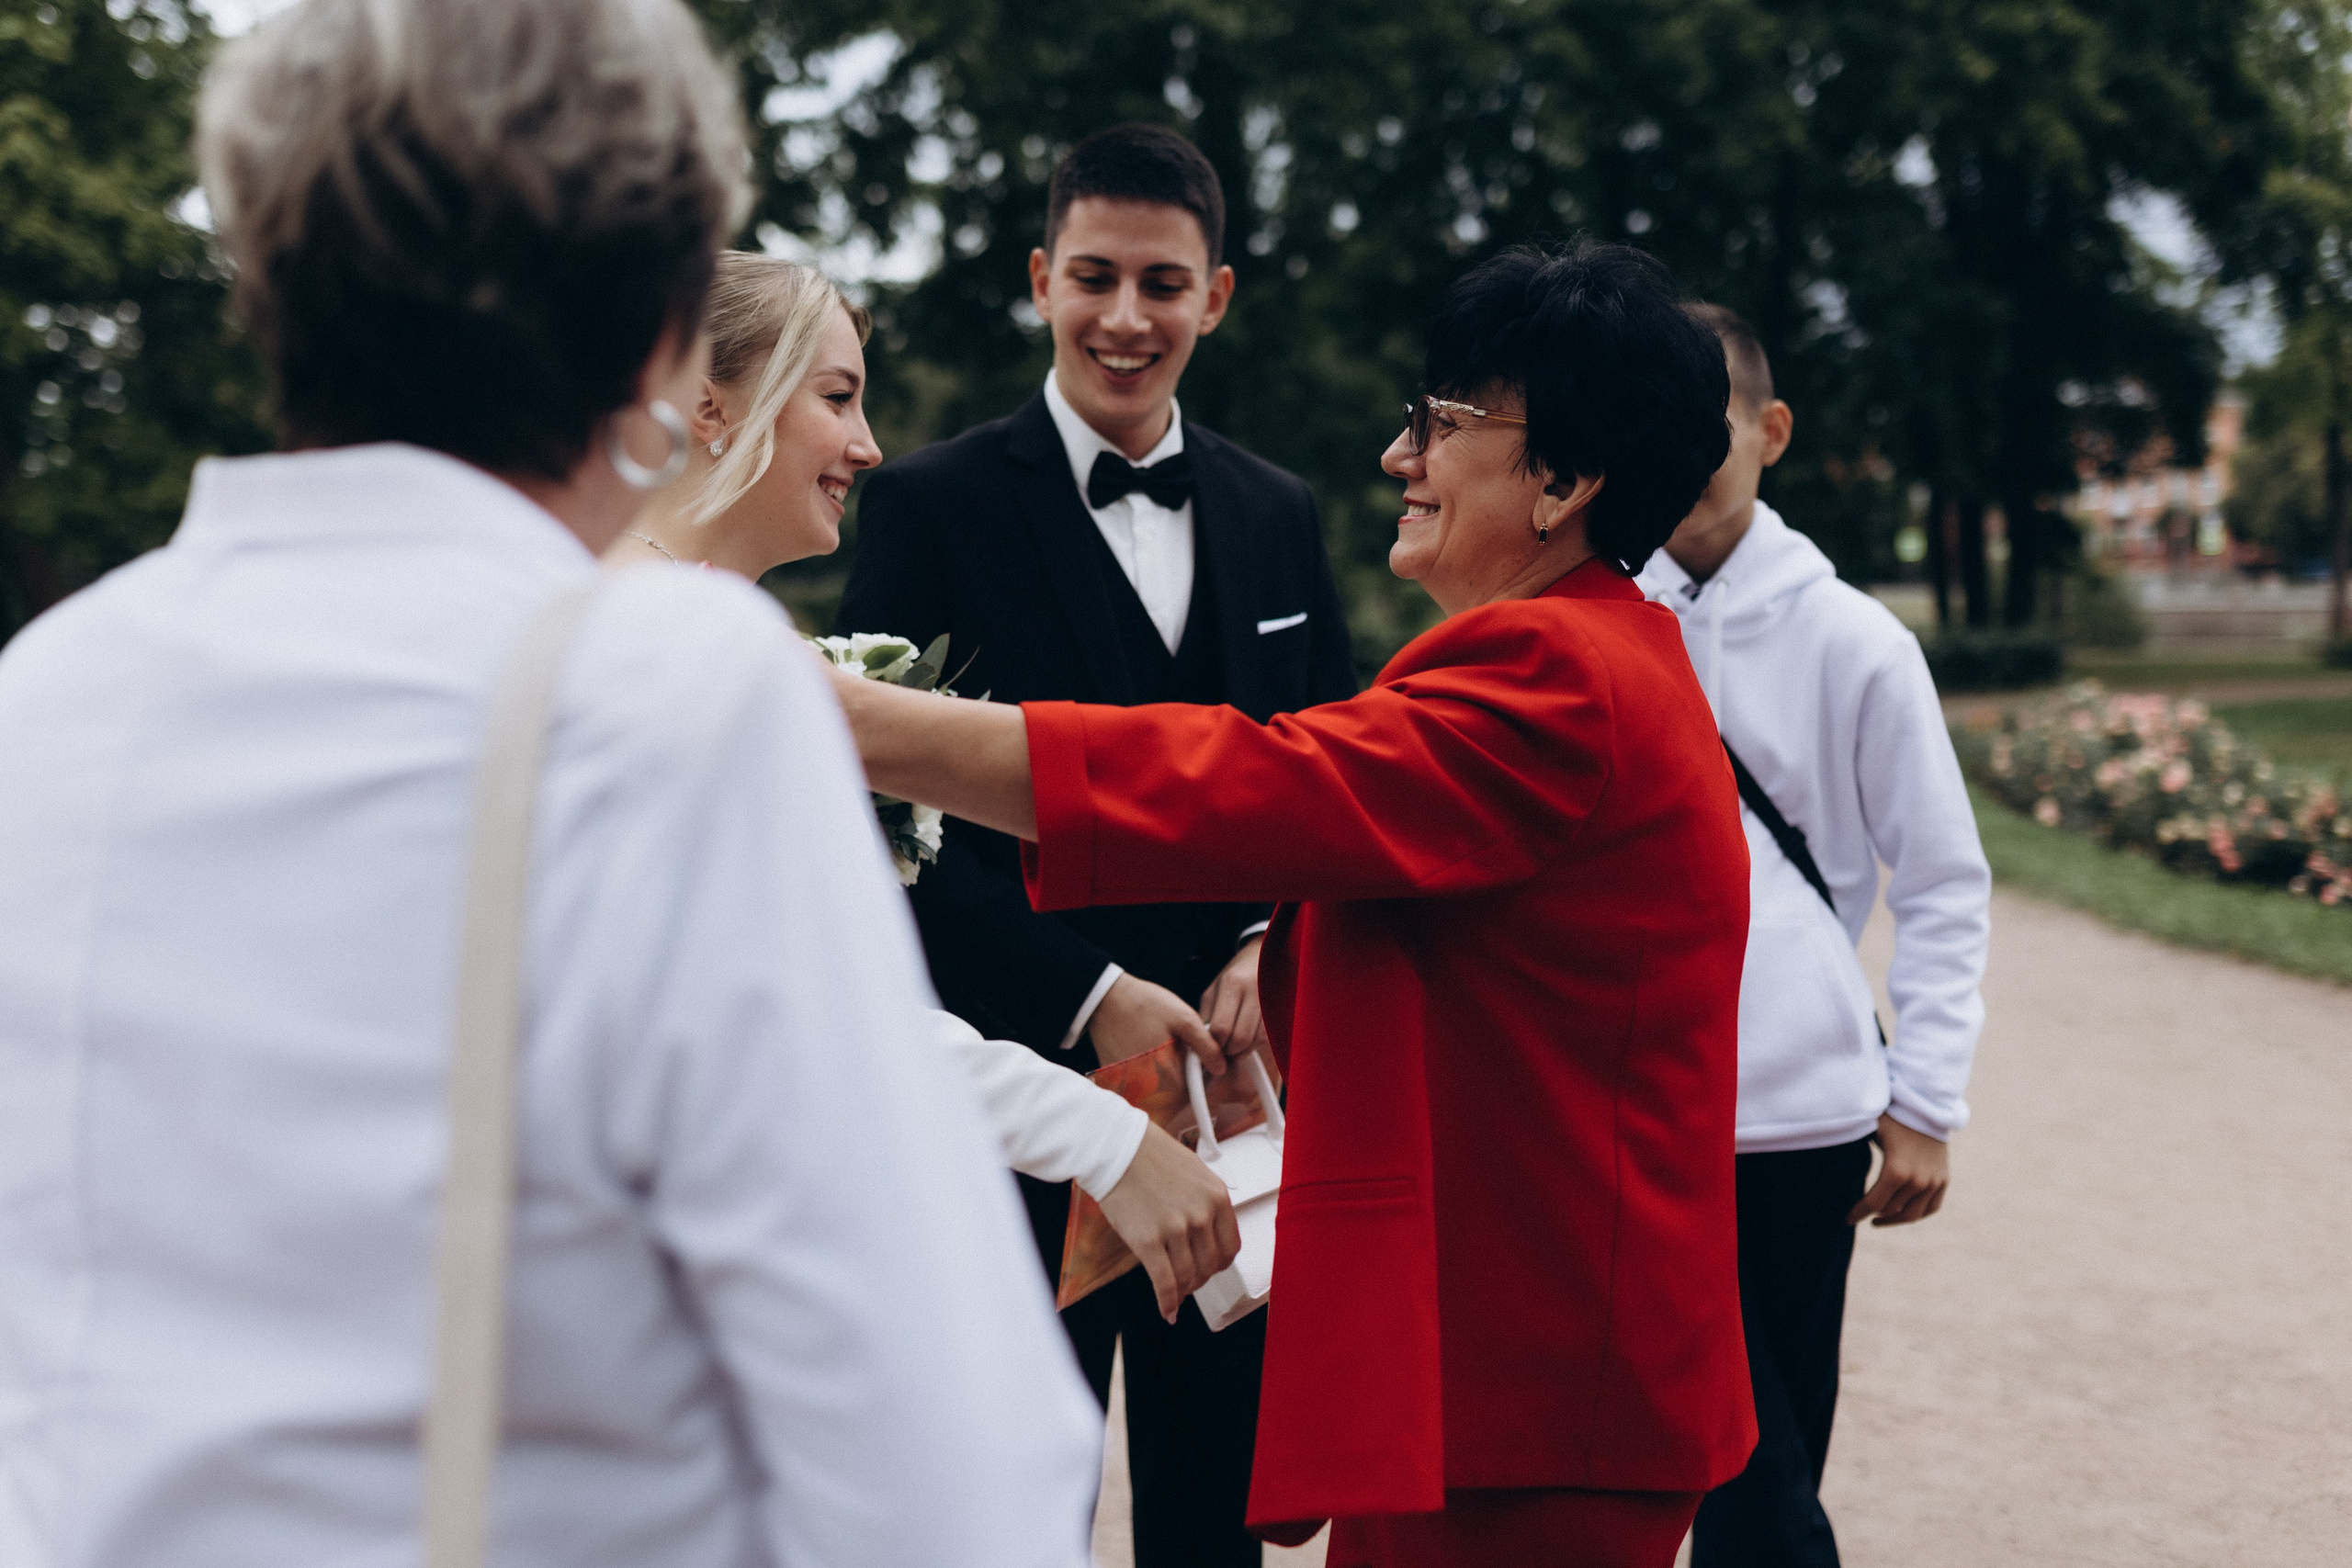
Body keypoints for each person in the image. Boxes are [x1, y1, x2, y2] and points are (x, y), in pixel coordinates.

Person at [0, 3, 1100, 1564]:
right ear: (658, 329)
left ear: (265, 270)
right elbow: (950, 1461)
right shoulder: (666, 691)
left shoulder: (45, 693)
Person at [829, 240, 1761, 1568]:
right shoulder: (1584, 651)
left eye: (1442, 423)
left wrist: (841, 716)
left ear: (1562, 481)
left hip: (1534, 1382)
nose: (1401, 456)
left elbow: (1248, 784)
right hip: (1501, 1364)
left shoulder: (1561, 674)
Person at [832, 123, 1359, 1568]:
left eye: (1164, 283)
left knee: (1218, 1517)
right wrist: (1088, 993)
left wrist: (1267, 938)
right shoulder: (930, 505)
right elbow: (890, 832)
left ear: (1218, 296)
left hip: (1232, 1112)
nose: (1127, 317)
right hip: (1016, 1106)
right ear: (1040, 279)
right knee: (1009, 1510)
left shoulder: (1277, 511)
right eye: (1095, 277)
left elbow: (1332, 785)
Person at [607, 251, 1239, 1316]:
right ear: (710, 406)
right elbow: (794, 1008)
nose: (868, 444)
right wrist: (1100, 1137)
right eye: (837, 397)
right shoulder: (655, 642)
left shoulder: (692, 621)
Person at [1635, 306, 1992, 1568]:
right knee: (1728, 1462)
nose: (1680, 454)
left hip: (1799, 1114)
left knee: (1772, 1456)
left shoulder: (1856, 641)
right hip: (1631, 1105)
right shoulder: (1586, 623)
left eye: (1710, 425)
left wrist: (1925, 1100)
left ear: (1771, 430)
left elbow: (1941, 880)